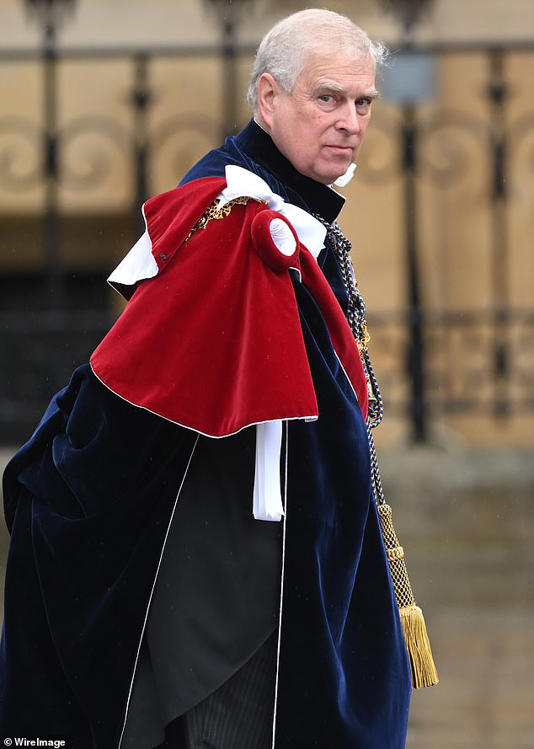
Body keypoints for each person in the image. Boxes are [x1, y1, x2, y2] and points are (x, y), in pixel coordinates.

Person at [0, 9, 425, 749]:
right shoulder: (235, 216)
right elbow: (128, 392)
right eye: (327, 98)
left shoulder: (290, 210)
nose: (351, 121)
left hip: (285, 564)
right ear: (267, 98)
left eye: (363, 103)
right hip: (235, 594)